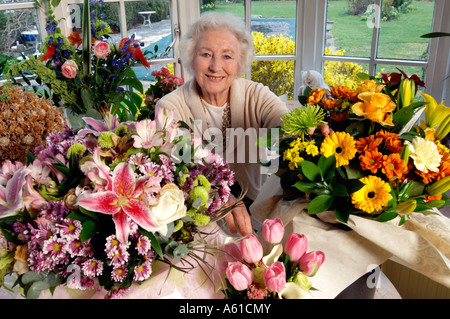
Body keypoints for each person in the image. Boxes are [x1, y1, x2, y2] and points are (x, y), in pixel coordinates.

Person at [155, 12, 289, 236]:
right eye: (206, 54)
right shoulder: (169, 106)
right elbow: (180, 166)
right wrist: (217, 193)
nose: (216, 67)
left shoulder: (255, 94)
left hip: (256, 208)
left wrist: (304, 128)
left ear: (239, 62)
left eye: (227, 56)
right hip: (197, 217)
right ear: (191, 57)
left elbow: (282, 118)